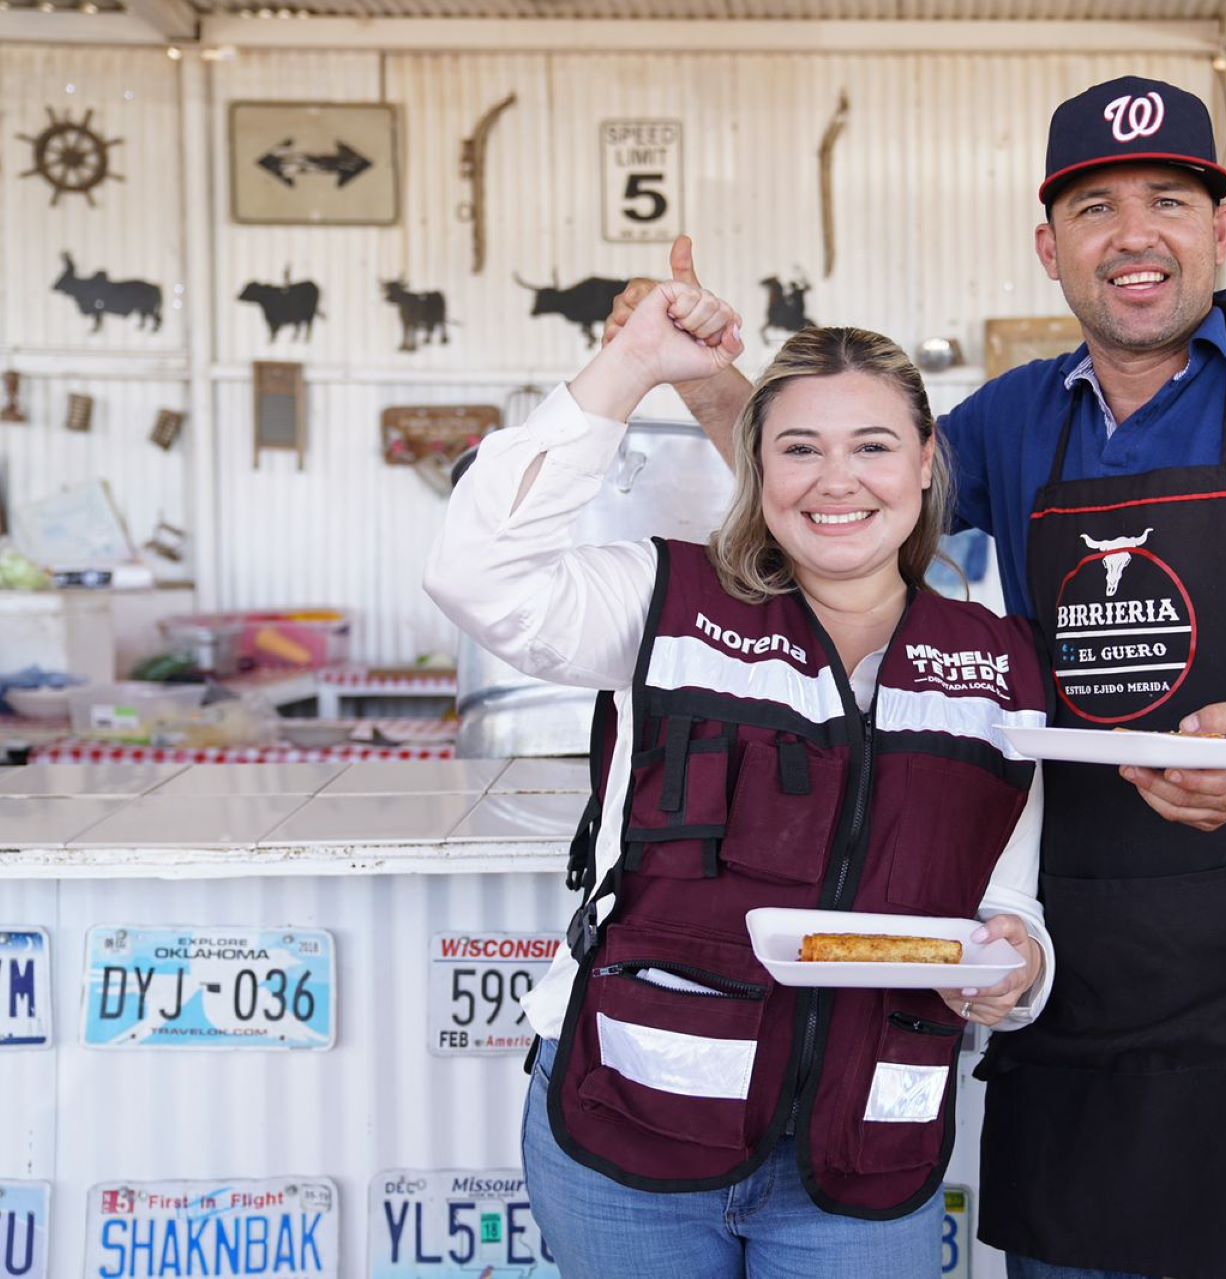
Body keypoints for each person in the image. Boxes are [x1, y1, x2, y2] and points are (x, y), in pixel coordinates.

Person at [604, 75, 1226, 1279]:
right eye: (1094, 208)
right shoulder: (1013, 422)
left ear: (1221, 231)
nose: (1133, 235)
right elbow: (842, 494)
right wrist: (709, 379)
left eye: (1168, 201)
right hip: (1074, 970)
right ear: (1051, 247)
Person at [424, 279, 1056, 1278]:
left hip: (862, 1153)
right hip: (628, 1130)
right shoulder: (661, 599)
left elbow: (1007, 894)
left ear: (927, 462)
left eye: (873, 446)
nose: (835, 480)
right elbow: (476, 573)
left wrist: (1016, 964)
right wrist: (629, 364)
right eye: (799, 447)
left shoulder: (996, 662)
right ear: (756, 466)